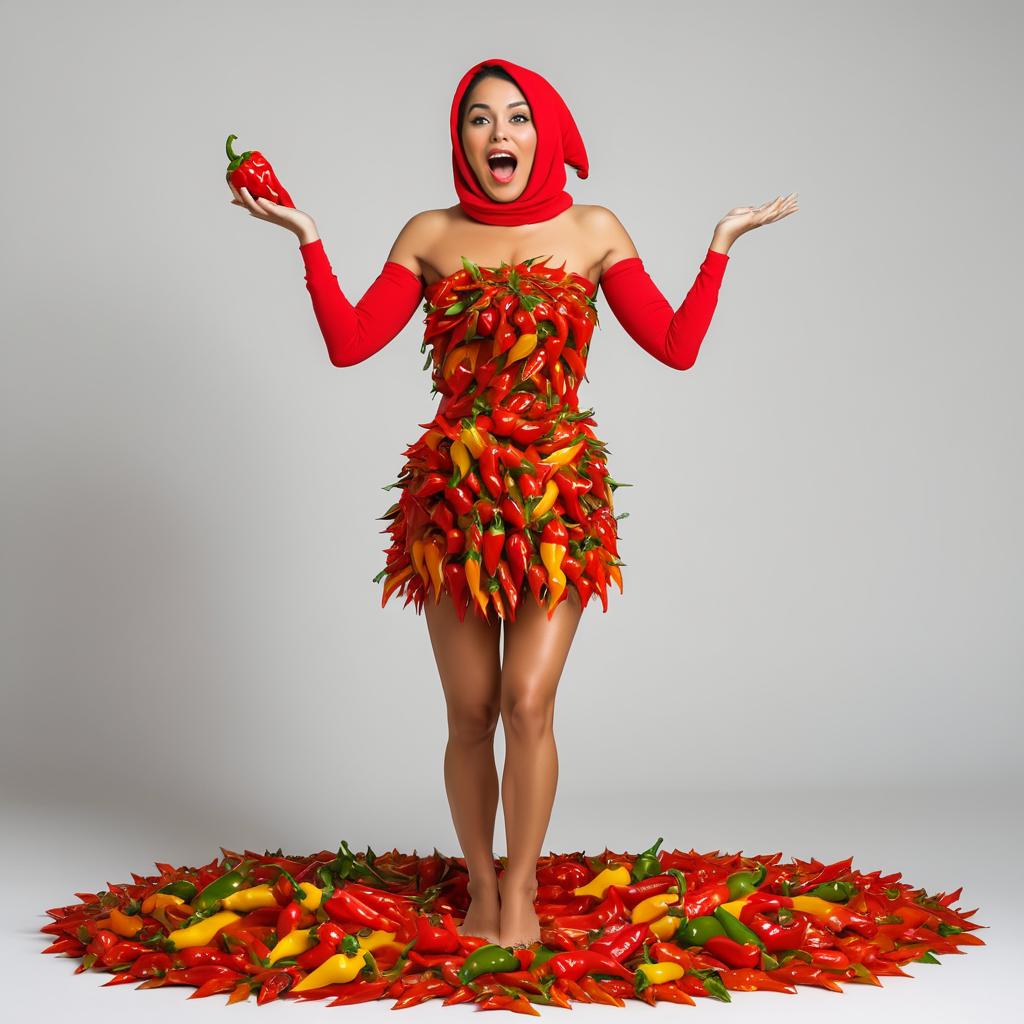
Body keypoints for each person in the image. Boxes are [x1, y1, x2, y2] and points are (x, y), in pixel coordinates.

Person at [227, 58, 797, 949]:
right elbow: (347, 345)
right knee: (471, 712)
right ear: (460, 138)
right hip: (453, 498)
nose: (500, 134)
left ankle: (520, 889)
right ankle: (481, 885)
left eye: (519, 117)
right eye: (481, 118)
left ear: (547, 133)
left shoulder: (593, 228)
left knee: (529, 702)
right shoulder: (430, 232)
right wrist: (305, 234)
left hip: (556, 501)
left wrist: (719, 247)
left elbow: (678, 347)